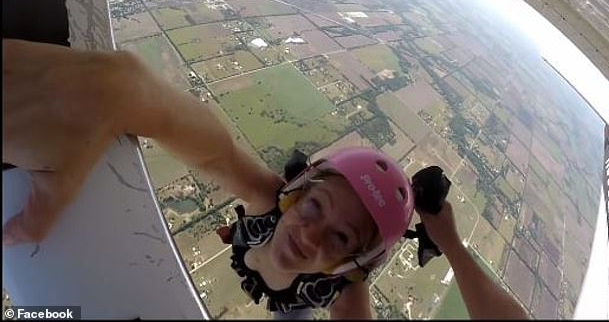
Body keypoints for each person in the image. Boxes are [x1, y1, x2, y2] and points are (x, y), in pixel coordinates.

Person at [2, 39, 527, 319]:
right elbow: (213, 147)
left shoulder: (345, 288)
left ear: (353, 262)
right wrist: (110, 91)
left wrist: (453, 246)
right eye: (315, 207)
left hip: (294, 303)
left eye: (340, 238)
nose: (309, 233)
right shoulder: (269, 201)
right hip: (265, 262)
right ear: (297, 191)